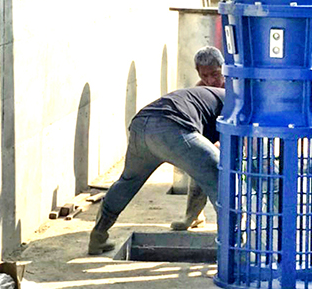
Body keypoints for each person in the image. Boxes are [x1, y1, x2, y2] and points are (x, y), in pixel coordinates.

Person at [87, 83, 224, 255]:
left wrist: (189, 219)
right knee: (221, 177)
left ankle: (98, 236)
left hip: (141, 124)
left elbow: (199, 173)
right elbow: (208, 172)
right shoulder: (233, 107)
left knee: (127, 182)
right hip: (173, 126)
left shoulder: (208, 97)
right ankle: (233, 249)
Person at [170, 46, 225, 232]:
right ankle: (193, 216)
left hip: (236, 138)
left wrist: (223, 143)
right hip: (209, 137)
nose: (211, 80)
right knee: (199, 167)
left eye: (215, 74)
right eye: (205, 76)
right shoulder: (198, 90)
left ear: (223, 68)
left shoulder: (234, 87)